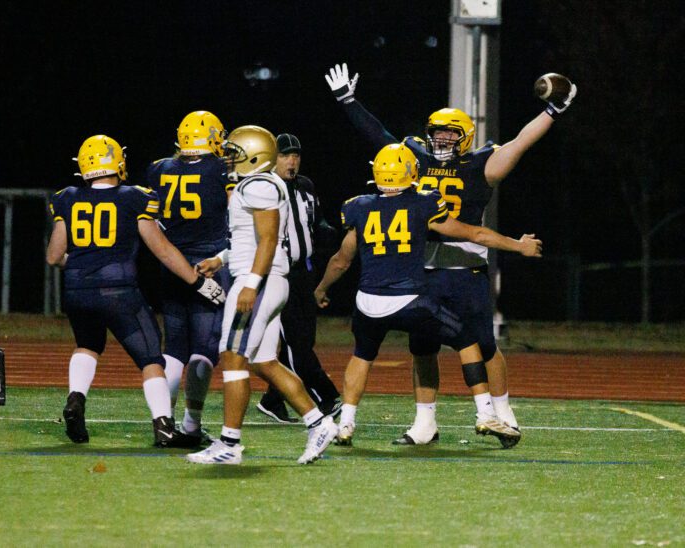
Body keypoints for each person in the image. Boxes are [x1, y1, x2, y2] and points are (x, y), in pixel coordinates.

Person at [325, 62, 576, 446]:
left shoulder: (482, 164)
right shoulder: (415, 159)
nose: (441, 140)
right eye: (437, 134)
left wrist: (552, 111)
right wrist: (349, 102)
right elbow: (379, 137)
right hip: (422, 268)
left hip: (465, 267)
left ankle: (503, 412)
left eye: (449, 134)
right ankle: (425, 423)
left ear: (465, 137)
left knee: (484, 343)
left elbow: (521, 141)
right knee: (422, 348)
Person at [314, 143, 541, 447]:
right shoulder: (424, 204)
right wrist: (518, 245)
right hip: (409, 300)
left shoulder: (359, 206)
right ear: (410, 172)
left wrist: (321, 288)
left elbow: (341, 259)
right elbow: (475, 233)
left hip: (367, 302)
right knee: (466, 339)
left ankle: (346, 424)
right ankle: (485, 413)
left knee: (362, 355)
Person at [46, 134, 225, 447]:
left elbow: (53, 256)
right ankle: (164, 425)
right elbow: (163, 249)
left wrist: (86, 260)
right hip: (118, 291)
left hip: (76, 289)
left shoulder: (68, 196)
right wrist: (197, 282)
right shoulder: (134, 197)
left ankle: (76, 399)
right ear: (117, 161)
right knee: (151, 359)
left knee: (87, 344)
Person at [186, 125, 338, 465]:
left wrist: (252, 283)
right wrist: (220, 259)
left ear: (255, 155)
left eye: (235, 153)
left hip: (262, 279)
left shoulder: (257, 184)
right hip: (266, 277)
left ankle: (229, 444)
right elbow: (250, 239)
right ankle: (319, 423)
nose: (229, 158)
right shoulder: (259, 184)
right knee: (262, 360)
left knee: (232, 356)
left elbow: (269, 240)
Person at [145, 110, 232, 446]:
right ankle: (191, 425)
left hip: (172, 264)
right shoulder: (222, 170)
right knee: (206, 348)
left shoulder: (158, 169)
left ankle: (162, 422)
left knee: (174, 349)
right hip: (210, 263)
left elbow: (154, 220)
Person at [255, 132, 341, 423]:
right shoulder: (264, 188)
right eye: (284, 155)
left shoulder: (305, 185)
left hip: (304, 271)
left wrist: (330, 231)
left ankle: (272, 400)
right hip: (280, 272)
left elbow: (315, 221)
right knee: (296, 344)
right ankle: (325, 398)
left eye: (296, 155)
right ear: (271, 157)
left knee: (304, 340)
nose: (291, 161)